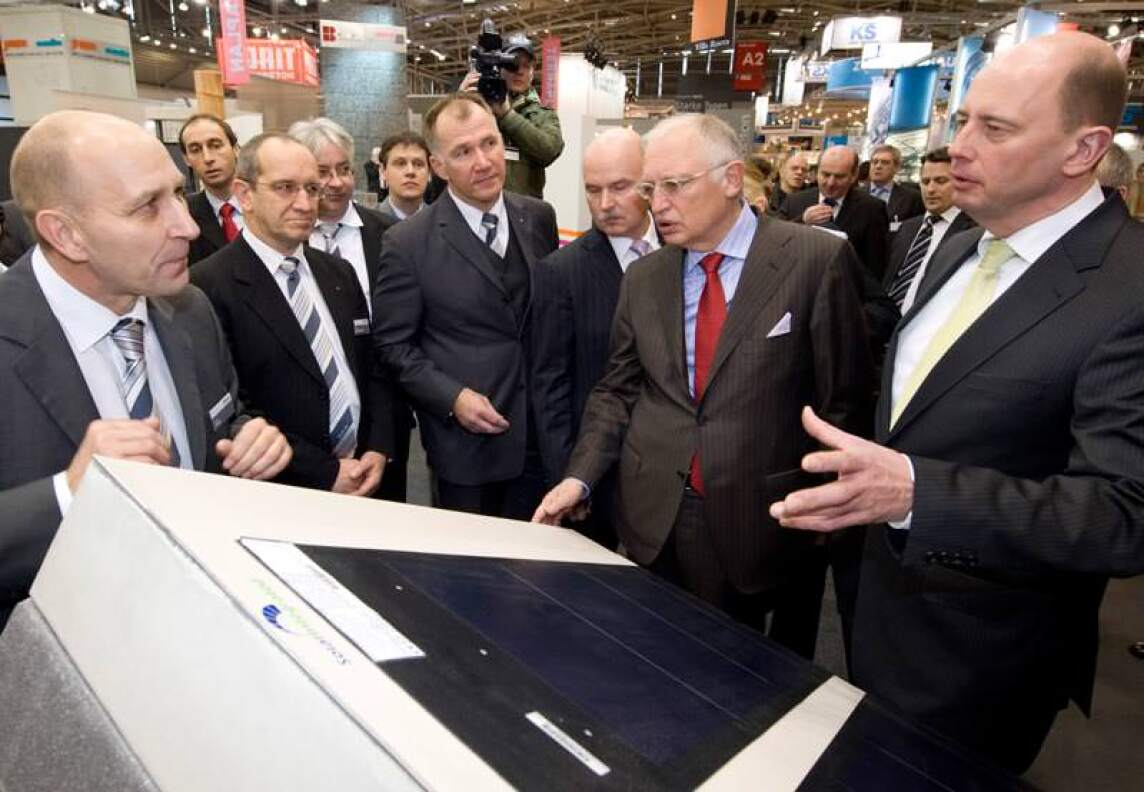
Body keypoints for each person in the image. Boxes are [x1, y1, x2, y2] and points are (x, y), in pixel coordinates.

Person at [769, 32, 1144, 773]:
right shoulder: (958, 242)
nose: (957, 146)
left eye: (994, 129)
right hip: (876, 619)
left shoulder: (1128, 287)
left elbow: (1124, 512)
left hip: (986, 659)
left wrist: (916, 493)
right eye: (962, 119)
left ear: (1083, 148)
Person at [533, 114, 873, 659]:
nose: (657, 203)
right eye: (651, 187)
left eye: (675, 185)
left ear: (732, 178)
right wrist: (582, 476)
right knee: (655, 659)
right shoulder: (645, 278)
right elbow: (617, 390)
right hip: (653, 514)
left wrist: (827, 512)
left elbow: (845, 401)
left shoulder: (815, 260)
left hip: (764, 515)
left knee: (752, 675)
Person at [0, 111, 292, 629]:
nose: (187, 226)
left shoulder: (191, 309)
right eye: (146, 208)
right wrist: (69, 493)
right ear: (65, 234)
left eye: (178, 194)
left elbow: (221, 419)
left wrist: (247, 438)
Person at [373, 93, 559, 520]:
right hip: (467, 451)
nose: (483, 161)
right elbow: (393, 346)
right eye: (463, 151)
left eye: (489, 144)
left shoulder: (539, 218)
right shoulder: (407, 243)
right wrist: (452, 397)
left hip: (539, 442)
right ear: (438, 166)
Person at [191, 134, 395, 497]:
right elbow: (233, 407)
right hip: (283, 490)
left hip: (366, 473)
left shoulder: (338, 273)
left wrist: (378, 446)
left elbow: (372, 367)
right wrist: (324, 472)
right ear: (245, 194)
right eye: (286, 188)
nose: (305, 203)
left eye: (312, 188)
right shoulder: (207, 287)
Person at [531, 127, 658, 549]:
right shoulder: (561, 273)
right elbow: (549, 385)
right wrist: (569, 475)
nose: (605, 204)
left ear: (650, 180)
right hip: (596, 477)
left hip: (671, 474)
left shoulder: (685, 253)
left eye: (621, 187)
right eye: (593, 190)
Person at [288, 118, 412, 502]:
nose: (338, 182)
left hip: (385, 414)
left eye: (344, 169)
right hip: (306, 427)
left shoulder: (390, 234)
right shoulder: (286, 242)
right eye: (323, 173)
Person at [461, 33, 564, 198]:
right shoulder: (477, 104)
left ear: (532, 71)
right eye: (513, 65)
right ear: (500, 66)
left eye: (526, 66)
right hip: (478, 206)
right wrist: (458, 104)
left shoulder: (543, 113)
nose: (520, 71)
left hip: (524, 213)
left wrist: (507, 116)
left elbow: (550, 150)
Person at [883, 147, 977, 314]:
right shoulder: (908, 227)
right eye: (925, 182)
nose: (931, 189)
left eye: (941, 181)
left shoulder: (973, 232)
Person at [779, 145, 891, 281]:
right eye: (825, 175)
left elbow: (875, 265)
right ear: (817, 172)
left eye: (839, 177)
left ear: (853, 176)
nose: (831, 183)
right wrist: (802, 221)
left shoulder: (872, 209)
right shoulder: (795, 201)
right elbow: (776, 243)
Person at [179, 114, 242, 265]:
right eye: (195, 150)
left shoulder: (266, 203)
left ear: (235, 149)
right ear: (186, 159)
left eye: (215, 145)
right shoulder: (184, 215)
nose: (207, 158)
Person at [866, 144, 925, 227]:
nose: (878, 166)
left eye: (885, 162)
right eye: (874, 162)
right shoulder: (855, 194)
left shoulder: (912, 199)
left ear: (896, 167)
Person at [377, 131, 431, 221]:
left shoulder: (448, 225)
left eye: (418, 164)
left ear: (429, 172)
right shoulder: (366, 226)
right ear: (383, 172)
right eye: (400, 163)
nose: (410, 171)